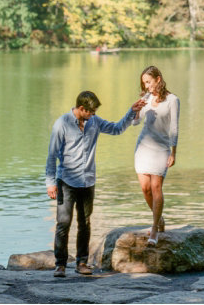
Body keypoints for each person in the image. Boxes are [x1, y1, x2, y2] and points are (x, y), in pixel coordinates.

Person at [45, 89, 145, 278]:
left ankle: (82, 262)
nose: (93, 115)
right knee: (63, 223)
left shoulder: (94, 122)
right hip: (66, 181)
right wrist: (50, 183)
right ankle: (60, 265)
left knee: (85, 223)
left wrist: (131, 112)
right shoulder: (62, 124)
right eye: (91, 112)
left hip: (87, 181)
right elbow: (52, 156)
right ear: (81, 108)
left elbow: (116, 129)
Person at [133, 66, 180, 246]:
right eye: (144, 83)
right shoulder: (147, 98)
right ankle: (159, 219)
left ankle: (154, 227)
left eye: (148, 82)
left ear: (158, 79)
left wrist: (173, 152)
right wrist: (137, 109)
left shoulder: (173, 100)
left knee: (156, 188)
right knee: (145, 188)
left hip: (161, 148)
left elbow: (174, 127)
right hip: (143, 148)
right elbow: (136, 123)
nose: (146, 86)